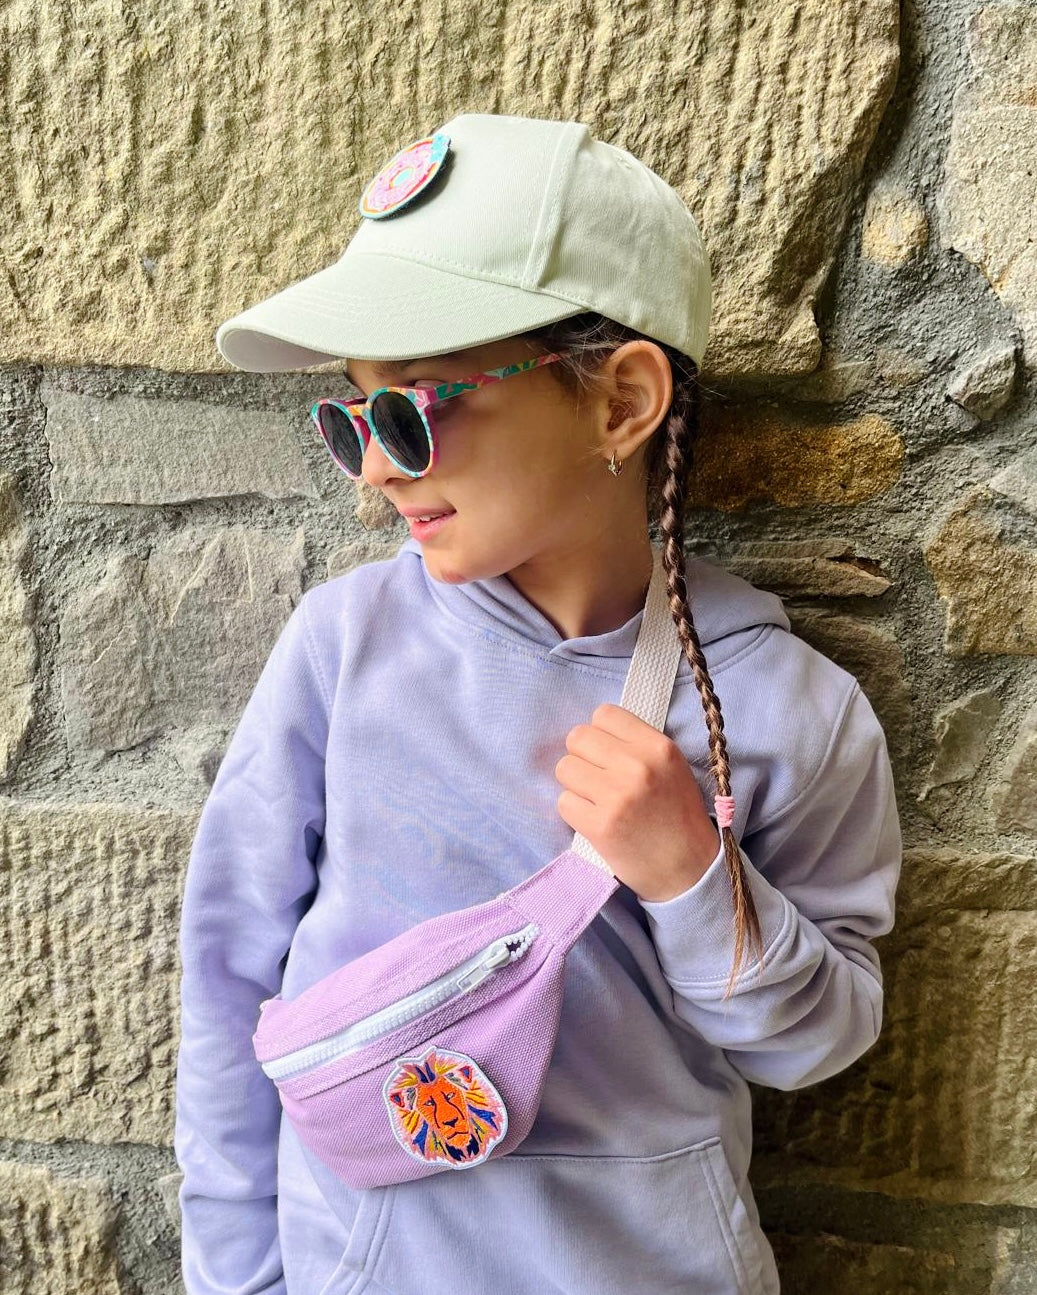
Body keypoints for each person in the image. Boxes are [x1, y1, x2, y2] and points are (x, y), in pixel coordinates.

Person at [174, 112, 902, 1295]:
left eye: (414, 408)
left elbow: (813, 1042)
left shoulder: (785, 705)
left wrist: (692, 876)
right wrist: (235, 1274)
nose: (376, 466)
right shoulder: (343, 649)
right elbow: (228, 977)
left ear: (619, 402)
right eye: (349, 416)